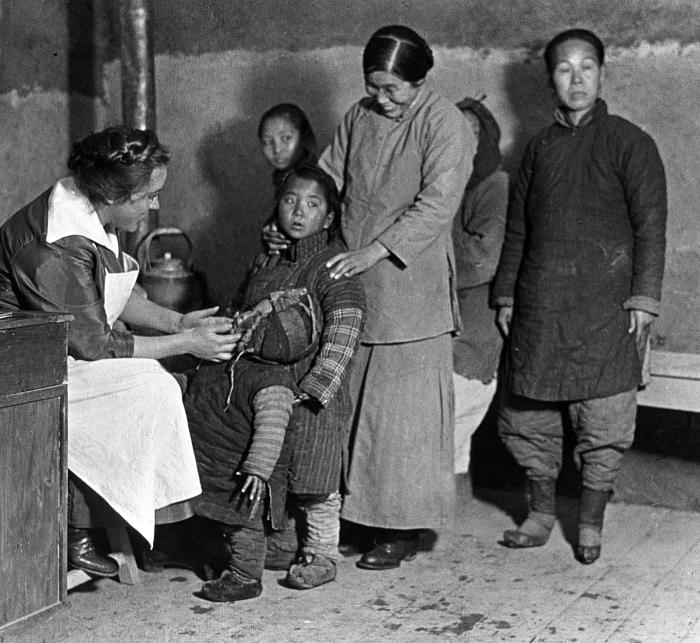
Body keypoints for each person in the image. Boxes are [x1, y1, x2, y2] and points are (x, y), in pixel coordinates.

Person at [264, 25, 475, 569]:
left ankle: (400, 531)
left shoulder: (445, 123)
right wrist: (287, 220)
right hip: (357, 280)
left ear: (421, 78)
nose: (381, 98)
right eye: (373, 85)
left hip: (410, 286)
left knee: (403, 417)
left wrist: (375, 250)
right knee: (357, 408)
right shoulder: (359, 117)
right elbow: (328, 177)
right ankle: (361, 517)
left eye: (392, 89)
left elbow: (436, 206)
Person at [0, 126, 237, 577]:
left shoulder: (88, 209)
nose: (155, 205)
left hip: (57, 349)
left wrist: (179, 322)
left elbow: (111, 293)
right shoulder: (55, 244)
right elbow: (95, 346)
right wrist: (186, 343)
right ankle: (84, 527)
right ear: (114, 196)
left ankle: (161, 524)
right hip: (17, 365)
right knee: (151, 388)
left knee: (157, 384)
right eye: (148, 196)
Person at [492, 29, 667, 564]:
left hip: (607, 304)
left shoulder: (630, 142)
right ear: (550, 79)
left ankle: (589, 521)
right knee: (527, 416)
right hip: (541, 300)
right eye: (564, 69)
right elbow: (517, 227)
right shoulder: (539, 148)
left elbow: (651, 226)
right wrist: (507, 295)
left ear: (602, 73)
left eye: (586, 67)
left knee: (605, 420)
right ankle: (541, 512)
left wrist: (643, 299)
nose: (576, 79)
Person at [185, 164, 365, 601]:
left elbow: (345, 328)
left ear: (329, 217)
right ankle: (269, 550)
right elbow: (241, 309)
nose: (298, 212)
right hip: (266, 389)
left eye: (312, 204)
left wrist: (317, 387)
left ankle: (322, 554)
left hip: (310, 394)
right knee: (267, 472)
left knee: (315, 480)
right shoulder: (267, 259)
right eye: (290, 201)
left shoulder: (333, 266)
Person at [451, 97, 508, 474]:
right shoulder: (446, 185)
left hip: (475, 329)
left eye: (473, 134)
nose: (464, 144)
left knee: (451, 423)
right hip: (449, 324)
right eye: (454, 134)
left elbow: (482, 260)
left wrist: (439, 228)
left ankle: (424, 526)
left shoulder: (494, 184)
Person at [258, 103, 317, 194]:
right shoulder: (283, 178)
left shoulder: (312, 183)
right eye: (267, 142)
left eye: (286, 138)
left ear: (303, 136)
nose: (277, 149)